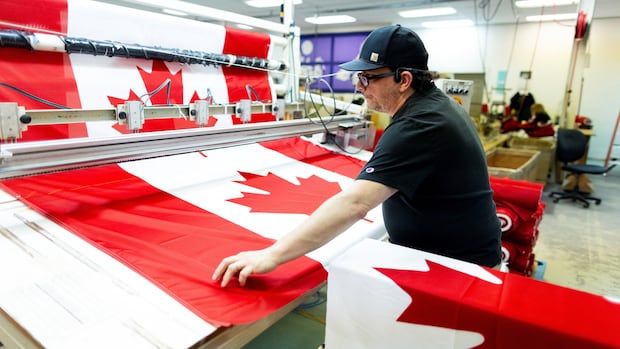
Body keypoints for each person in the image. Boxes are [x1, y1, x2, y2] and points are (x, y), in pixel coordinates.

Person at [213, 24, 501, 287]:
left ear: (404, 79)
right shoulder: (431, 106)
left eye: (367, 78)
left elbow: (355, 203)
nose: (358, 86)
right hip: (449, 257)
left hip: (459, 272)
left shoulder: (420, 124)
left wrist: (271, 255)